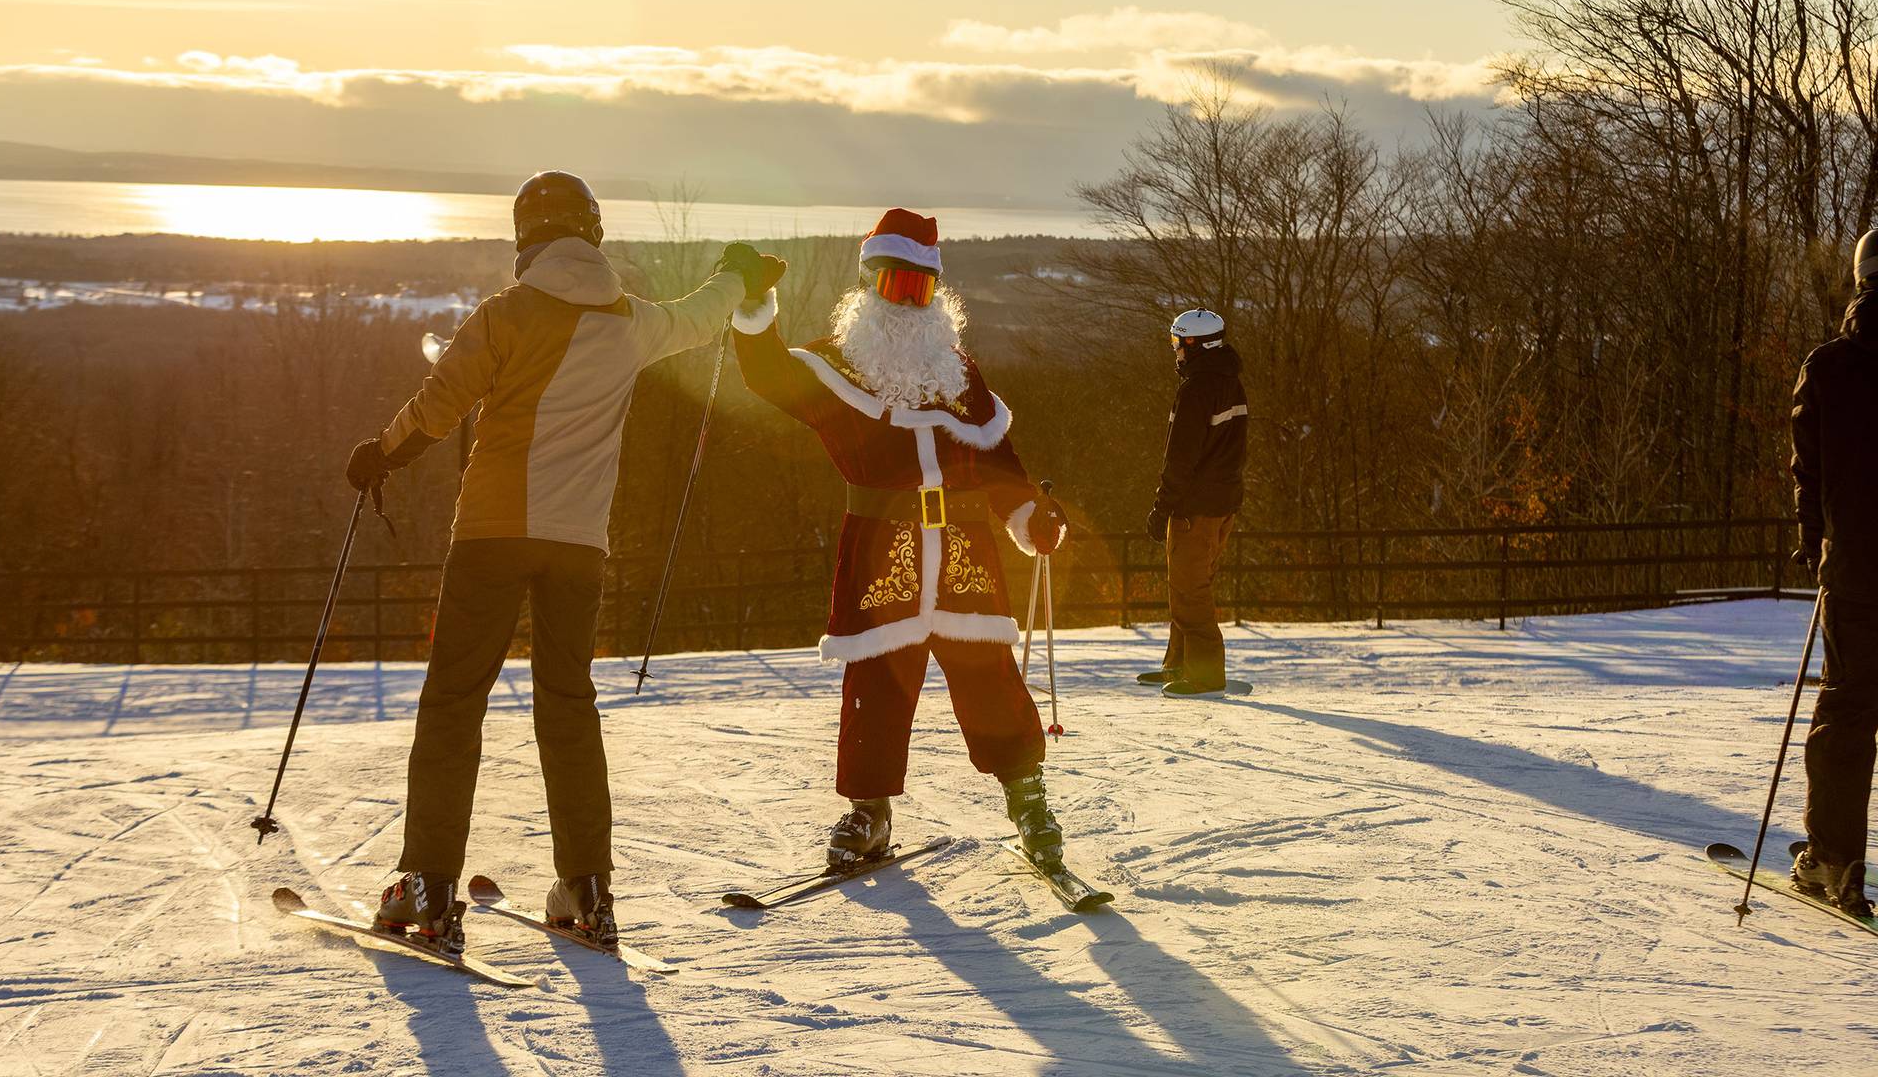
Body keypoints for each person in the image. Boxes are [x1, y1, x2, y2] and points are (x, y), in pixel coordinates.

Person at [343, 169, 785, 952]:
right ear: (594, 234)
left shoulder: (506, 315)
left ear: (527, 240)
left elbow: (438, 407)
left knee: (454, 704)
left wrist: (378, 455)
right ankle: (585, 889)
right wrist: (738, 270)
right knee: (568, 707)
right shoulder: (634, 322)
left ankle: (427, 885)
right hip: (580, 547)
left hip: (490, 538)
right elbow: (704, 314)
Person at [729, 208, 1074, 873]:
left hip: (966, 553)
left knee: (989, 677)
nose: (908, 302)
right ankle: (870, 807)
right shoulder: (835, 369)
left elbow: (999, 462)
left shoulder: (958, 372)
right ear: (869, 286)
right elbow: (767, 374)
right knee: (876, 684)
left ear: (935, 296)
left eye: (921, 291)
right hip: (880, 551)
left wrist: (1030, 514)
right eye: (895, 287)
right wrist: (752, 303)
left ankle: (1027, 798)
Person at [1789, 229, 1878, 920]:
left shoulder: (1828, 367)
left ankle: (1835, 858)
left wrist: (1811, 541)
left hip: (1856, 570)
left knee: (1848, 709)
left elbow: (1807, 472)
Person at [1140, 308, 1249, 697]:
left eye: (1177, 342)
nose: (1174, 351)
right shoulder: (1230, 383)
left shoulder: (1197, 389)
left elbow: (1180, 458)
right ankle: (1180, 664)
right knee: (1191, 584)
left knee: (1189, 589)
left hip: (1195, 507)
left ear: (1194, 344)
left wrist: (1162, 506)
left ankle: (1205, 675)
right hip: (1222, 504)